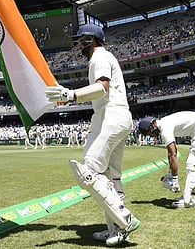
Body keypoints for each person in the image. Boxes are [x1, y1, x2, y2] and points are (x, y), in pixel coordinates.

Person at [45, 24, 140, 247]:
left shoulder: (100, 56)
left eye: (80, 40)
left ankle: (124, 218)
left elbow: (102, 88)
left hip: (109, 116)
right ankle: (116, 230)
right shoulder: (101, 57)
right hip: (118, 117)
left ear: (91, 39)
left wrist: (71, 95)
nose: (78, 45)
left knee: (87, 171)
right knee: (111, 177)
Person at [138, 111, 195, 208]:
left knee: (192, 163)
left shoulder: (164, 127)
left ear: (152, 127)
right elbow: (170, 154)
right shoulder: (164, 123)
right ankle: (192, 197)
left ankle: (189, 201)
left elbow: (173, 154)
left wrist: (174, 180)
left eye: (149, 134)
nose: (152, 136)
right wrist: (170, 172)